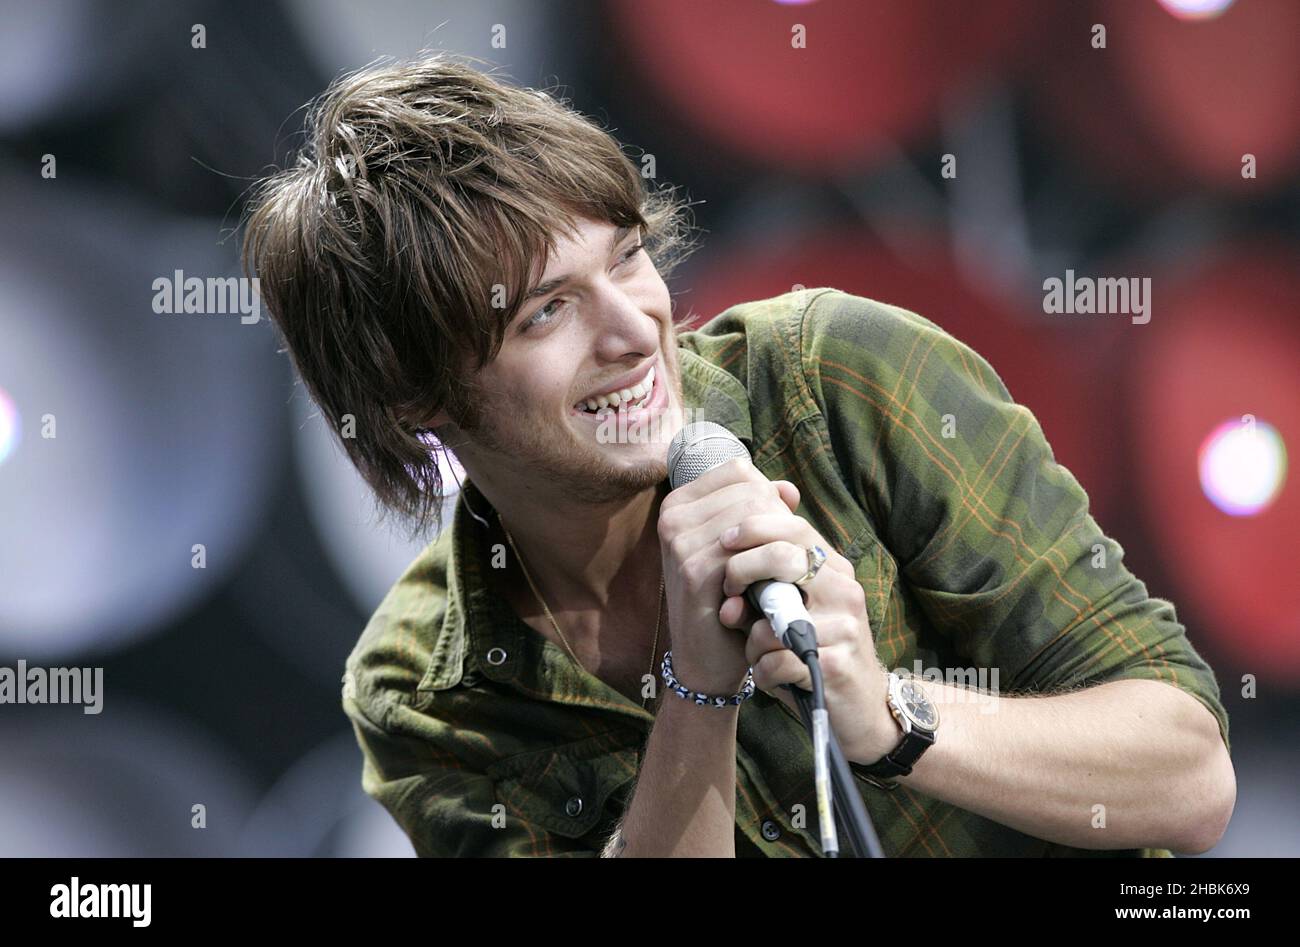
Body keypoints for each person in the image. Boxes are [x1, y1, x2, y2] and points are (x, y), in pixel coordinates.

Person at [241, 53, 1235, 857]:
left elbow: (1188, 781)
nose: (634, 328)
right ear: (415, 396)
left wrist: (888, 717)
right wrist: (697, 690)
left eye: (626, 256)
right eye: (548, 310)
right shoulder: (422, 687)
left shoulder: (840, 374)